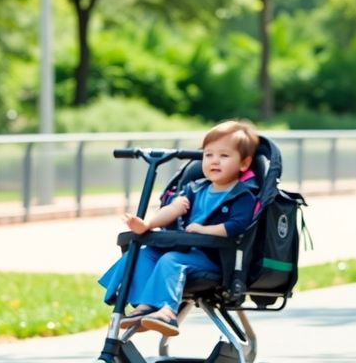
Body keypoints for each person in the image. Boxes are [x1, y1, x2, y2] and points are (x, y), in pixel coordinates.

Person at [97, 120, 259, 337]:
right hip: (186, 250)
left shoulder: (242, 195)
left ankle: (166, 312)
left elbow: (236, 227)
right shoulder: (195, 189)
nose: (214, 161)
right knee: (144, 255)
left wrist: (203, 231)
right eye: (208, 155)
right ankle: (144, 305)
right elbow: (172, 209)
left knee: (170, 260)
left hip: (214, 259)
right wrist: (147, 224)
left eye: (224, 155)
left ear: (244, 163)